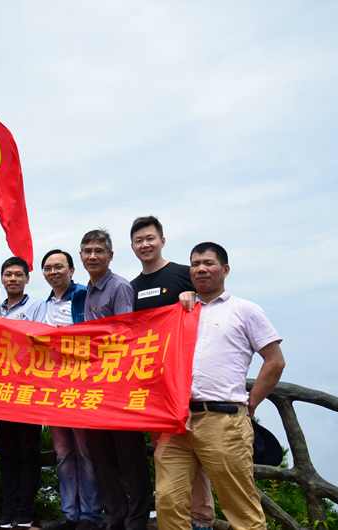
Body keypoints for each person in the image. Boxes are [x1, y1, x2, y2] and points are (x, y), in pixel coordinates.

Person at [156, 242, 285, 530]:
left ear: (225, 270)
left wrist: (250, 404)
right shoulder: (180, 311)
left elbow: (275, 361)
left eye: (208, 263)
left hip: (223, 420)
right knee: (168, 501)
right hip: (177, 422)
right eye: (195, 264)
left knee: (240, 508)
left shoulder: (245, 310)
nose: (201, 269)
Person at [129, 216, 214, 530]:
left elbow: (212, 306)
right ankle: (175, 519)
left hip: (186, 380)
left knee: (194, 451)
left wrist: (193, 297)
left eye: (150, 238)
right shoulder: (131, 287)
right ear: (132, 246)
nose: (145, 245)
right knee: (165, 452)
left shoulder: (182, 273)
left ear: (162, 241)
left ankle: (201, 520)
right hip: (152, 383)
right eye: (139, 240)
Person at [80, 229, 151, 530]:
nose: (93, 256)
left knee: (129, 454)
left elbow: (125, 335)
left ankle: (136, 518)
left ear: (110, 255)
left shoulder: (119, 286)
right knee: (99, 452)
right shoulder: (88, 289)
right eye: (87, 251)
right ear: (81, 256)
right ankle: (114, 514)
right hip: (94, 385)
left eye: (99, 251)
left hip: (120, 384)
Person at [40, 249, 101, 530]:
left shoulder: (84, 296)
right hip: (53, 388)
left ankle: (90, 514)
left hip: (82, 385)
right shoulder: (44, 305)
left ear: (72, 270)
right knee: (63, 452)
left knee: (85, 450)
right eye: (48, 268)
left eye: (59, 266)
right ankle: (70, 513)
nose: (53, 272)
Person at [0, 256, 46, 530]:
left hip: (28, 390)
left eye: (18, 274)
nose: (12, 279)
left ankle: (25, 511)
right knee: (7, 453)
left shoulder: (37, 306)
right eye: (8, 274)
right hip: (1, 391)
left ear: (27, 278)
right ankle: (9, 510)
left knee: (29, 451)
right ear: (2, 278)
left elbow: (42, 341)